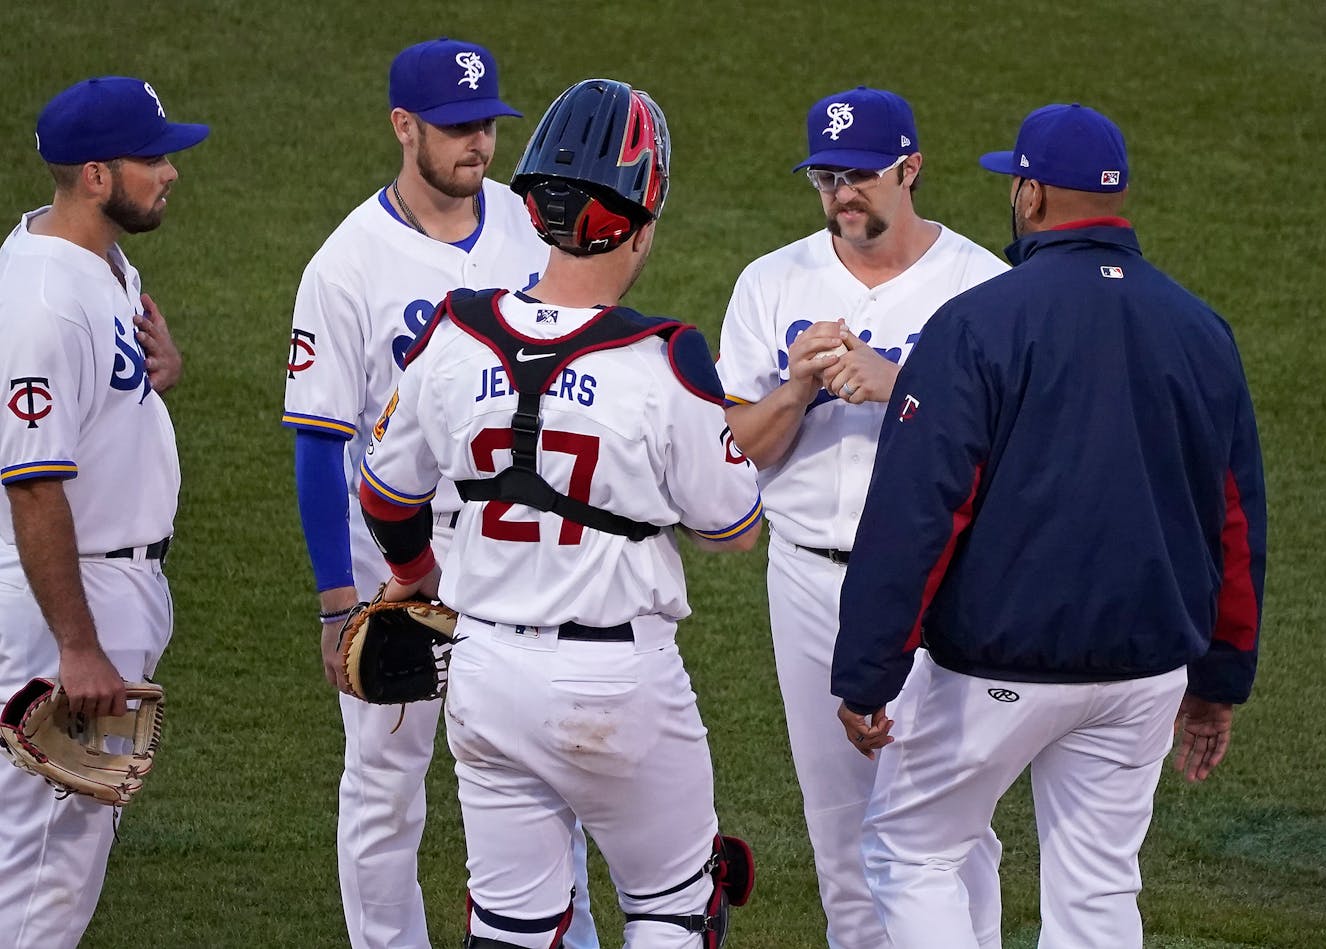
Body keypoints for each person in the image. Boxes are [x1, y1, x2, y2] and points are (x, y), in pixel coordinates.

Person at [832, 102, 1267, 949]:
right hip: (1146, 675)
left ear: (1030, 195)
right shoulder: (1201, 330)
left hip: (1000, 671)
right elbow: (1236, 522)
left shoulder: (979, 322)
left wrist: (867, 673)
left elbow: (920, 511)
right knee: (1098, 888)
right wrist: (1219, 683)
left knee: (911, 851)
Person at [358, 77, 763, 949]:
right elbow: (735, 525)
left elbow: (386, 494)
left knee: (510, 929)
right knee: (674, 909)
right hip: (621, 687)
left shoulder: (454, 333)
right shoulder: (668, 356)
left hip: (485, 672)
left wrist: (418, 579)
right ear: (640, 219)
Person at [280, 38, 598, 949]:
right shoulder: (346, 265)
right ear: (402, 126)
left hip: (517, 544)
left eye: (487, 126)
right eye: (457, 128)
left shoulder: (528, 228)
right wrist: (337, 602)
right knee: (386, 786)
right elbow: (317, 442)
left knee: (543, 762)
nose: (477, 145)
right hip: (396, 560)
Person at [716, 85, 1008, 948]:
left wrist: (901, 385)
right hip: (806, 576)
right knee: (840, 830)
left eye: (861, 176)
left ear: (911, 169)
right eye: (826, 178)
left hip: (941, 581)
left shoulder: (982, 285)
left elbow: (1016, 452)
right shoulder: (771, 281)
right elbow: (737, 446)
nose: (842, 195)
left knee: (951, 830)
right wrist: (798, 386)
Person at [0, 75, 207, 949]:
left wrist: (154, 380)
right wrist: (78, 646)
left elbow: (90, 400)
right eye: (151, 157)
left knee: (52, 849)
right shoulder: (41, 301)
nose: (169, 173)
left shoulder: (100, 264)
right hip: (68, 599)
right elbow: (32, 483)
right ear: (95, 174)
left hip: (105, 583)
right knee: (46, 861)